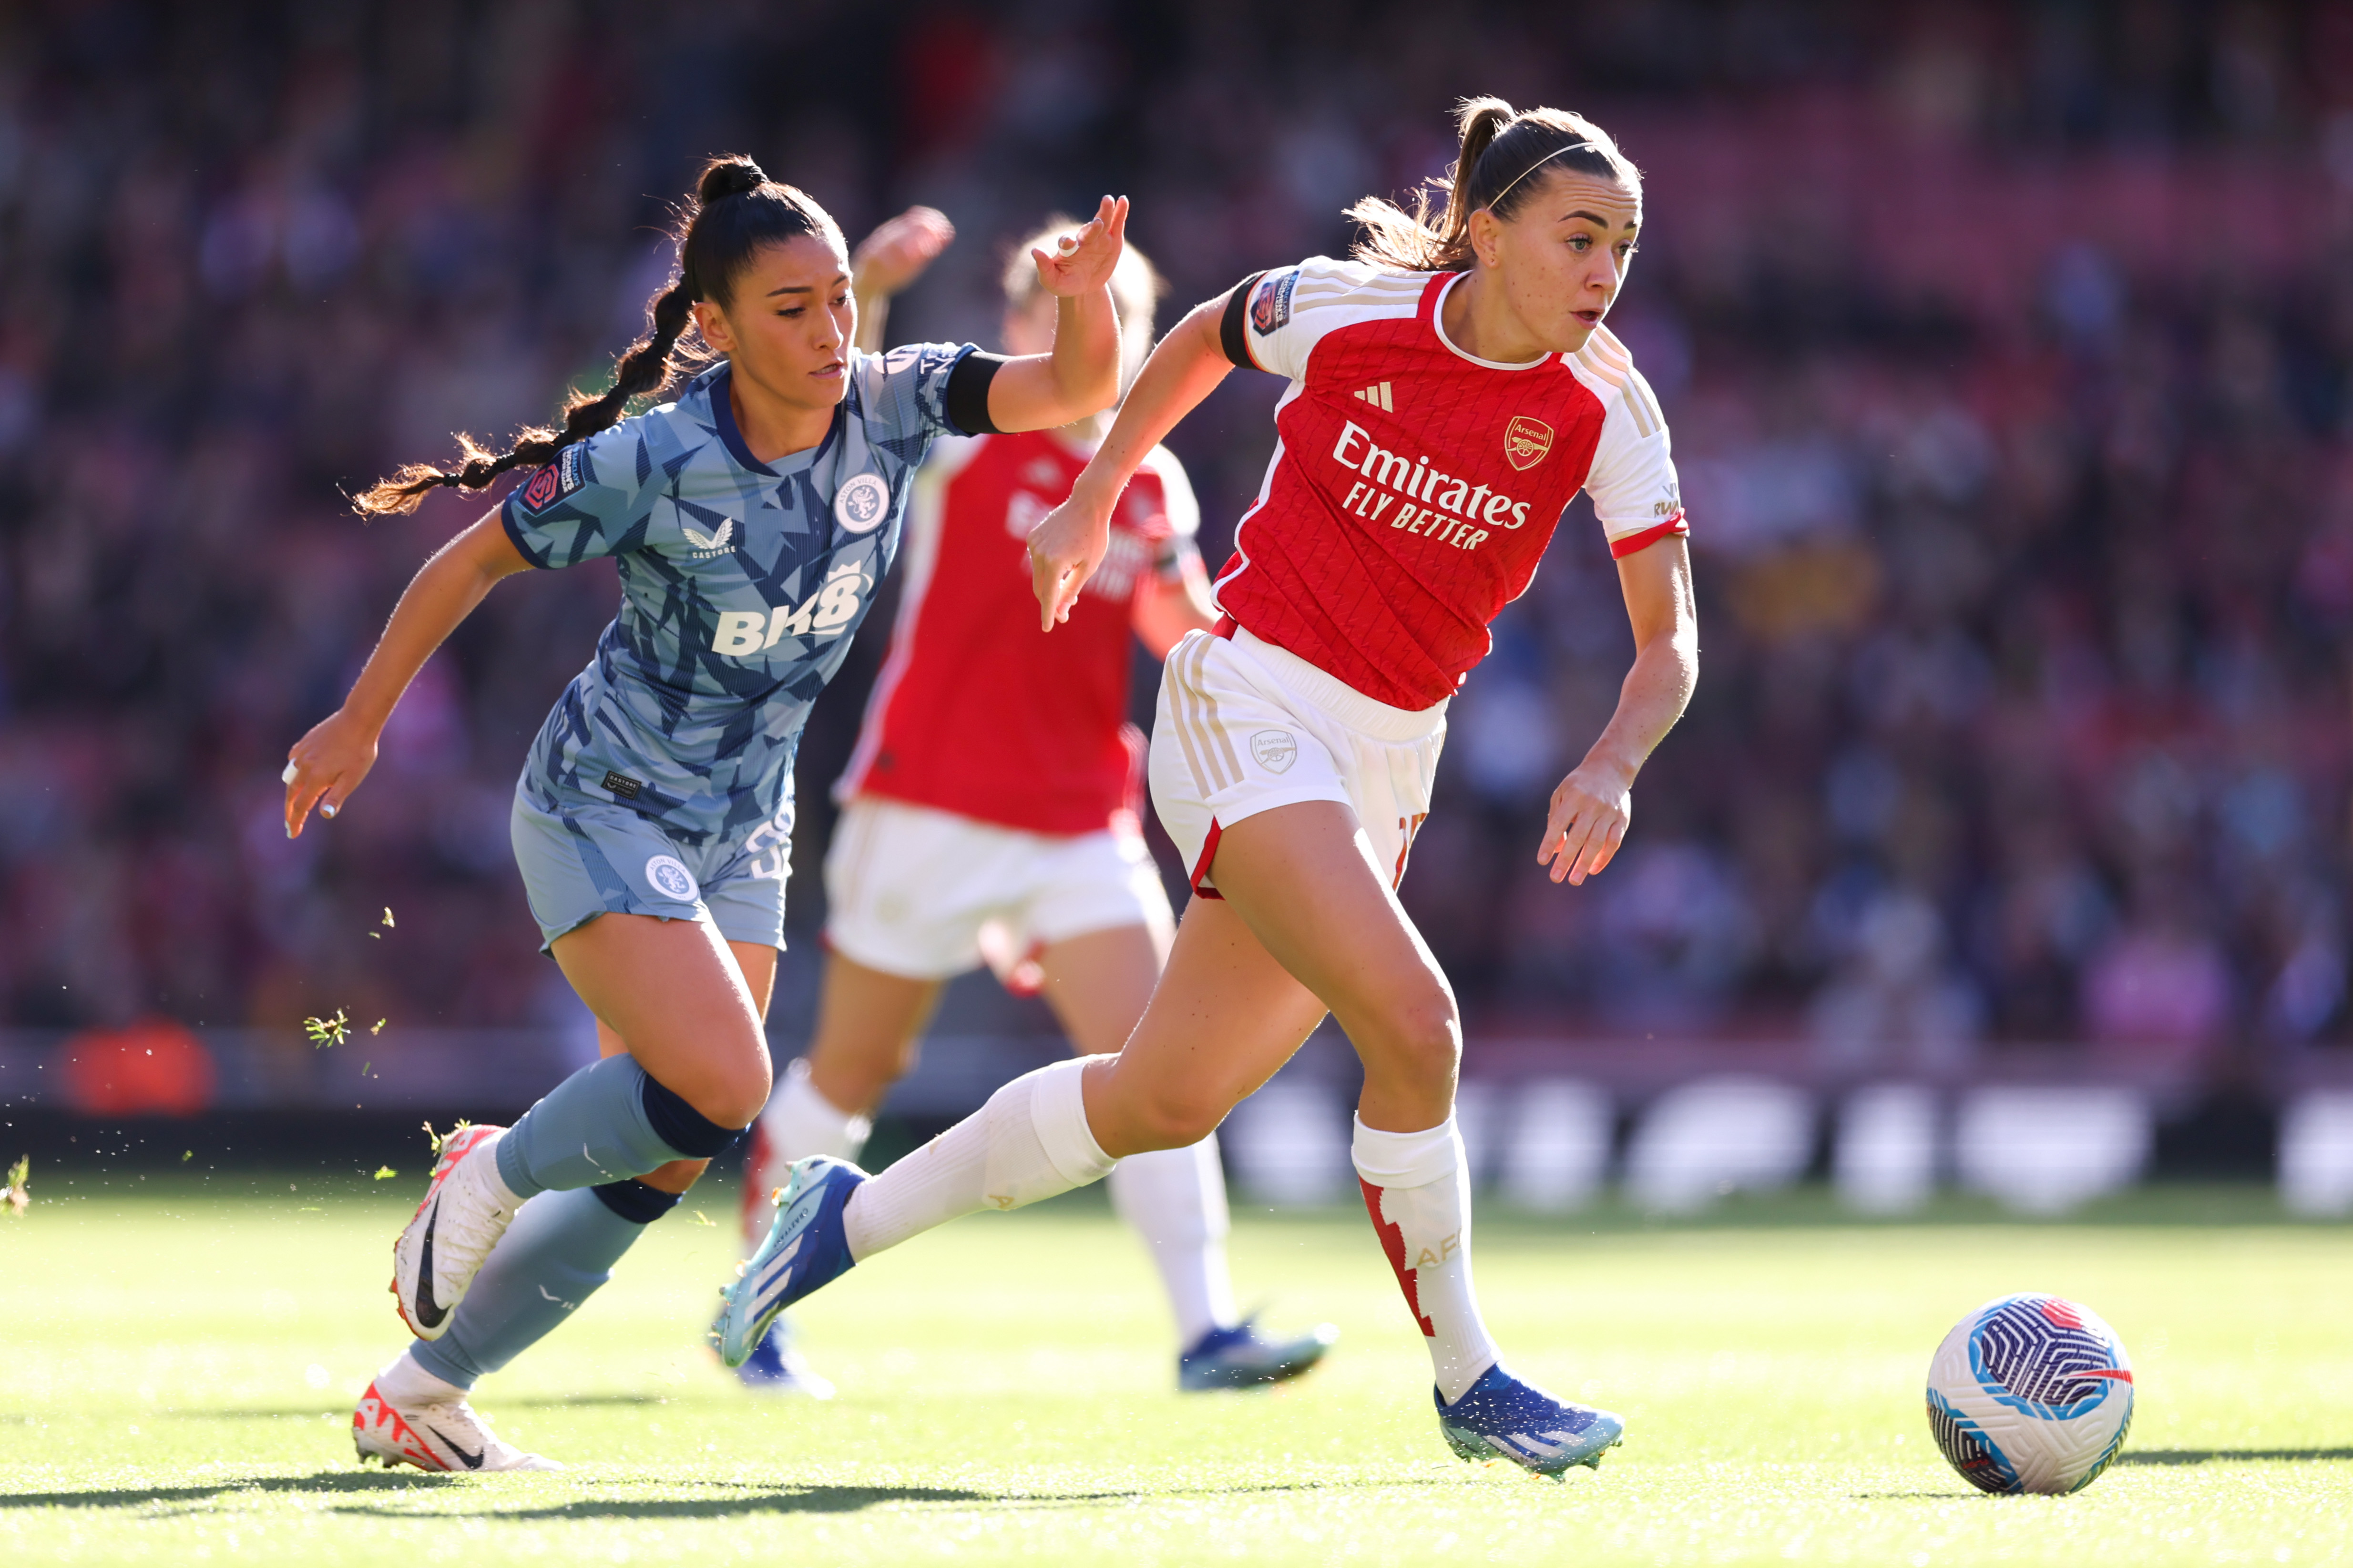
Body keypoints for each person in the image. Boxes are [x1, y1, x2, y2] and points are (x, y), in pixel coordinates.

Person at [711, 97, 1699, 1479]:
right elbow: (1207, 333)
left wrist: (1614, 758)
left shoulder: (1611, 404)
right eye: (1579, 236)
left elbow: (1671, 644)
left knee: (1162, 1102)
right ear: (1485, 232)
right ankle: (1471, 1378)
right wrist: (1100, 487)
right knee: (1418, 1025)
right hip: (1249, 699)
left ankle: (842, 1221)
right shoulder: (1351, 309)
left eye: (1624, 248)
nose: (1606, 273)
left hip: (1386, 757)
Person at [281, 154, 1130, 1472]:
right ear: (717, 327)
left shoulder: (895, 403)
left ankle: (423, 1395)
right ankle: (488, 1177)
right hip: (602, 800)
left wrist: (1081, 300)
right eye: (793, 309)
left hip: (747, 820)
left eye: (843, 299)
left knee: (676, 1138)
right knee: (725, 1083)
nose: (831, 332)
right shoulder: (654, 455)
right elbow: (472, 557)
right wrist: (361, 719)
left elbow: (1079, 388)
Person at [731, 217, 1335, 1396]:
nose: (1101, 339)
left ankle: (1204, 1329)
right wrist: (872, 292)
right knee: (853, 1073)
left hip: (1076, 822)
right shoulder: (967, 444)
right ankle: (761, 1304)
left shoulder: (1147, 479)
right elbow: (852, 405)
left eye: (1123, 316)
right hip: (929, 806)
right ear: (1021, 327)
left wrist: (1265, 657)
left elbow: (1181, 634)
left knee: (1155, 1063)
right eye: (1070, 308)